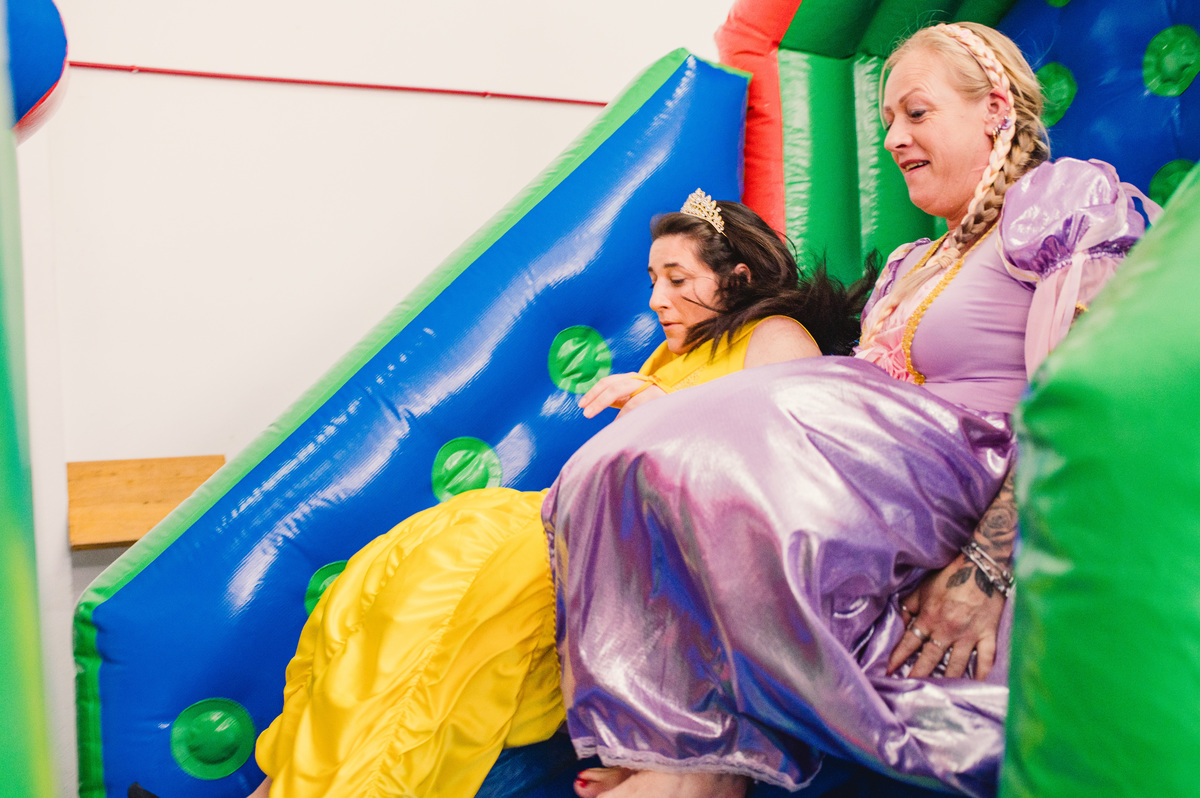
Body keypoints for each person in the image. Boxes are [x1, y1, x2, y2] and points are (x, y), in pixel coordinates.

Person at [543, 21, 1158, 798]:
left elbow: (1092, 392)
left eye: (917, 113)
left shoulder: (1055, 202)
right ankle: (686, 749)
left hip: (982, 487)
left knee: (695, 452)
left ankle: (697, 765)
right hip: (895, 503)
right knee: (631, 468)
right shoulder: (911, 264)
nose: (894, 138)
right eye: (887, 121)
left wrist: (985, 568)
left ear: (996, 109)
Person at [246, 191, 874, 798]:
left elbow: (778, 471)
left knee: (448, 598)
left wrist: (663, 413)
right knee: (394, 577)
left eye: (678, 279)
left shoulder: (776, 336)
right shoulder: (668, 356)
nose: (657, 299)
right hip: (580, 519)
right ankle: (294, 781)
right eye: (653, 280)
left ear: (737, 280)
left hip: (632, 549)